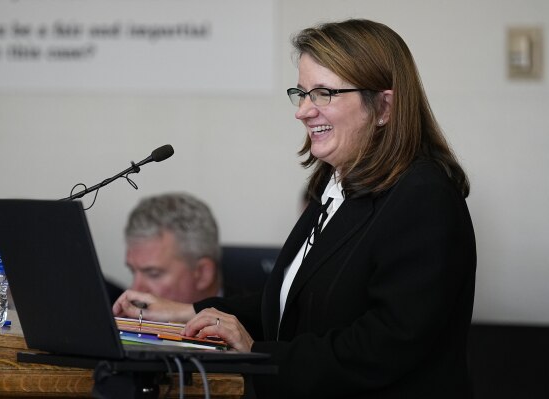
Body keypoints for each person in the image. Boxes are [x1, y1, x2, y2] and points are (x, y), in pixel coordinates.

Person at [114, 18, 476, 399]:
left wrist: (256, 352)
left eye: (323, 93)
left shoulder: (423, 195)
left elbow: (387, 345)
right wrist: (189, 311)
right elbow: (296, 300)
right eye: (301, 93)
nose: (303, 111)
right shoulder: (334, 184)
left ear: (384, 107)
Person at [122, 192, 223, 303]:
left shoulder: (242, 319)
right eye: (132, 271)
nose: (134, 291)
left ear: (203, 274)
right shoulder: (121, 313)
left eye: (153, 274)